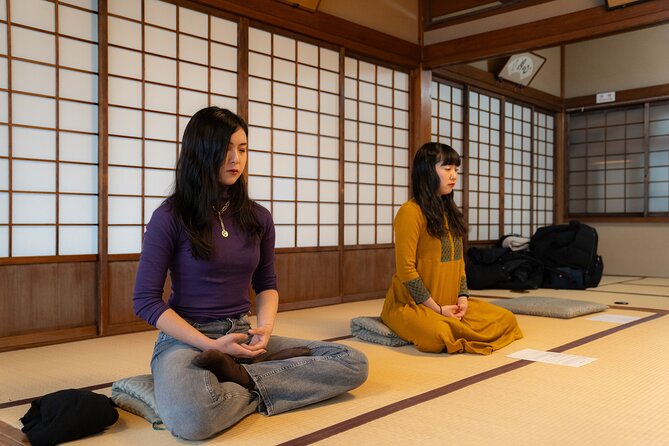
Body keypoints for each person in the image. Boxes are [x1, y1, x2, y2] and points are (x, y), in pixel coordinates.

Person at [133, 106, 368, 441]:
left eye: (242, 149)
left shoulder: (258, 217)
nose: (236, 159)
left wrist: (265, 331)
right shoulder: (170, 216)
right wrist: (211, 344)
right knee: (192, 419)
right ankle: (247, 380)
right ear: (201, 152)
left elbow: (267, 284)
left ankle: (241, 379)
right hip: (187, 339)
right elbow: (145, 301)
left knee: (351, 361)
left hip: (243, 334)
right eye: (225, 150)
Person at [380, 142, 523, 355]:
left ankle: (456, 322)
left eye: (456, 169)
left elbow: (459, 264)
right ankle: (445, 323)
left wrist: (462, 299)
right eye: (447, 169)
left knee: (507, 319)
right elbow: (406, 270)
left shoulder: (450, 212)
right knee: (440, 336)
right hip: (413, 305)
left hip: (451, 304)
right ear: (427, 171)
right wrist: (437, 309)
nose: (454, 175)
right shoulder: (410, 212)